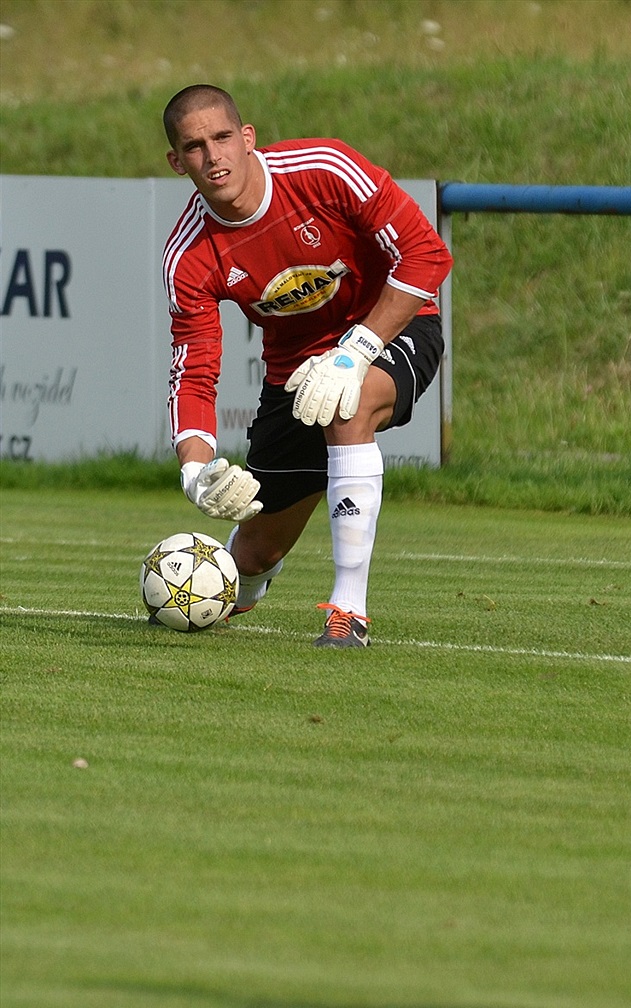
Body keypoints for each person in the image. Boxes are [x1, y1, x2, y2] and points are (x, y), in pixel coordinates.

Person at [161, 84, 453, 647]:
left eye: (223, 137)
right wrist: (194, 473)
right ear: (178, 162)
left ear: (248, 138)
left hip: (393, 324)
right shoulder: (189, 256)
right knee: (252, 556)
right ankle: (227, 592)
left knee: (348, 406)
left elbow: (426, 254)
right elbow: (192, 371)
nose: (214, 156)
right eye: (195, 147)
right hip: (294, 374)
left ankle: (348, 611)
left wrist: (355, 351)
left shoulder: (324, 168)